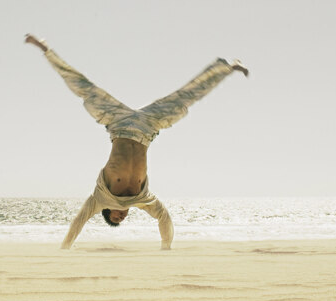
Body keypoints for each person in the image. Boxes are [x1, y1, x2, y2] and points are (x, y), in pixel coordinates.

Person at [25, 34, 247, 250]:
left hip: (117, 122)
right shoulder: (142, 199)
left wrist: (65, 247)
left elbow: (79, 221)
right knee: (185, 98)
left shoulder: (99, 198)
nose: (121, 215)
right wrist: (166, 248)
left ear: (107, 211)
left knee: (84, 88)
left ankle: (45, 49)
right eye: (122, 218)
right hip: (149, 126)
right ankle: (227, 68)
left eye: (115, 216)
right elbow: (163, 216)